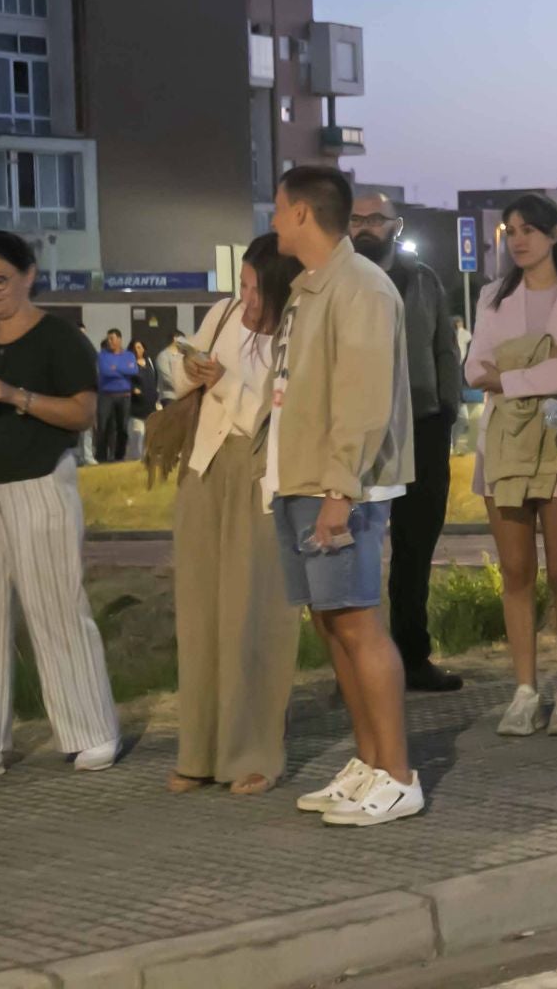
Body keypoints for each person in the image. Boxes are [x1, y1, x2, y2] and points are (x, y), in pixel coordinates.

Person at [0, 231, 120, 780]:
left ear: (29, 275)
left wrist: (15, 396)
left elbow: (83, 414)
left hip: (39, 481)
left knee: (56, 604)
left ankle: (91, 729)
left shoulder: (61, 338)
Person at [266, 165, 422, 826]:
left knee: (358, 621)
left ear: (303, 213)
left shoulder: (361, 287)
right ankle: (366, 763)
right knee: (331, 623)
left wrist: (340, 489)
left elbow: (362, 399)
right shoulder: (308, 287)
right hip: (302, 475)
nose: (271, 220)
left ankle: (398, 774)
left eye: (278, 208)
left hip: (342, 485)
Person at [169, 234, 304, 796]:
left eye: (252, 287)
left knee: (254, 613)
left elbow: (274, 412)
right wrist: (190, 371)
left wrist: (224, 381)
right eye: (241, 283)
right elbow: (177, 378)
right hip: (203, 469)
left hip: (261, 476)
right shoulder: (223, 313)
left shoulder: (299, 328)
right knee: (200, 611)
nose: (243, 296)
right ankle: (197, 752)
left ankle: (250, 754)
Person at [466, 193, 557, 737]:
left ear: (554, 234)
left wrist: (512, 377)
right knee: (517, 573)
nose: (518, 239)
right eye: (511, 231)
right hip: (505, 444)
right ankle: (524, 689)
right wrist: (518, 373)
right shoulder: (493, 296)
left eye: (529, 230)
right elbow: (475, 366)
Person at [350, 190, 466, 694]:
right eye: (356, 219)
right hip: (357, 430)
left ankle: (411, 657)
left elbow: (445, 348)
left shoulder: (424, 280)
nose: (365, 228)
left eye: (376, 218)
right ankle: (356, 663)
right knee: (355, 550)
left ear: (396, 226)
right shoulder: (335, 281)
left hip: (421, 424)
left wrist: (449, 411)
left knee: (415, 548)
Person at [95, 330, 138, 462]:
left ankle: (119, 456)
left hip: (124, 395)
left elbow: (134, 370)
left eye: (112, 339)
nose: (110, 341)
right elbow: (105, 371)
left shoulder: (129, 355)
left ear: (119, 339)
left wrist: (116, 368)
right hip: (106, 395)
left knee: (122, 427)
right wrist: (123, 371)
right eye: (108, 339)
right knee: (103, 426)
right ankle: (101, 456)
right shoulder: (102, 355)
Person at [126, 339, 158, 463]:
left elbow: (155, 379)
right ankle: (136, 458)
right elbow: (126, 379)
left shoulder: (150, 361)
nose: (137, 350)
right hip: (137, 404)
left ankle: (147, 458)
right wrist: (133, 389)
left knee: (149, 434)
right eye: (135, 348)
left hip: (150, 402)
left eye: (139, 347)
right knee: (137, 434)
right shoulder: (130, 363)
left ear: (143, 348)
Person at [155, 336, 184, 408]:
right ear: (175, 338)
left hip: (182, 396)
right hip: (169, 396)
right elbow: (167, 377)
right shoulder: (163, 356)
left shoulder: (181, 355)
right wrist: (183, 386)